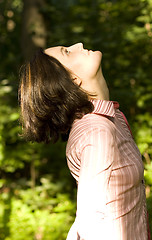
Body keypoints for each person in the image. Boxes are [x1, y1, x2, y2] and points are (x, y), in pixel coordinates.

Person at [19, 43, 150, 239]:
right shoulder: (96, 130)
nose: (78, 45)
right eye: (67, 52)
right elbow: (91, 220)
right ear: (73, 80)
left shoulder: (113, 117)